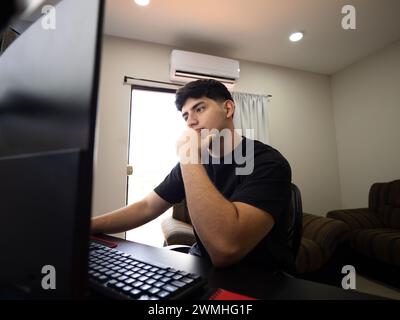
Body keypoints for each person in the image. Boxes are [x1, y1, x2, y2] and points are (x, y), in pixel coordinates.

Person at [92, 79, 292, 269]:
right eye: (185, 115)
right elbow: (147, 207)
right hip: (202, 266)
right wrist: (86, 225)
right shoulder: (194, 161)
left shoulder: (268, 162)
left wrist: (188, 156)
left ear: (228, 108)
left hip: (256, 279)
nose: (191, 122)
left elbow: (226, 248)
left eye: (199, 108)